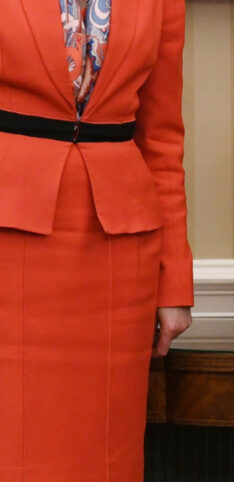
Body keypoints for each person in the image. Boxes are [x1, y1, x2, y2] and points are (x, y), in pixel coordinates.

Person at [0, 1, 193, 480]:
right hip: (8, 241)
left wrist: (174, 284)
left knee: (103, 459)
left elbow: (163, 140)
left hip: (118, 258)